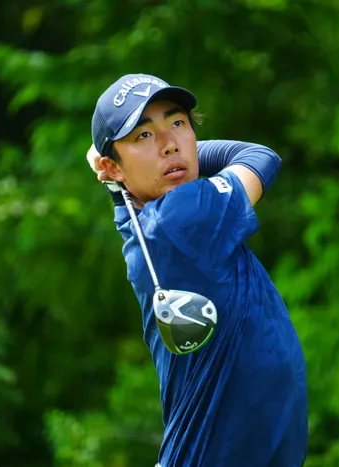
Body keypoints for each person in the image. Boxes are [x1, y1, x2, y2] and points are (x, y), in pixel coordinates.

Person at [86, 73, 308, 467]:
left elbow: (127, 192)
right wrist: (174, 155)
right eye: (143, 135)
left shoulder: (139, 218)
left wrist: (129, 161)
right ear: (112, 167)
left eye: (178, 123)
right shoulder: (183, 216)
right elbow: (260, 157)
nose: (170, 142)